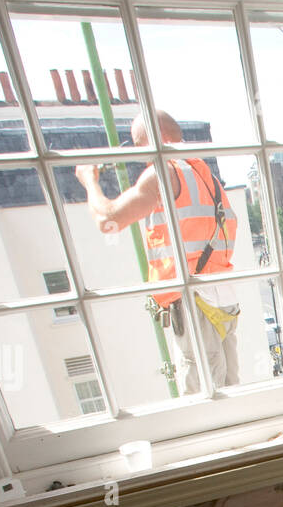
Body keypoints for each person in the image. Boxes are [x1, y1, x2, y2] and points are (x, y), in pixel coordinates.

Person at [75, 110, 239, 393]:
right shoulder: (203, 173)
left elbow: (108, 220)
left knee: (203, 392)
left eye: (140, 145)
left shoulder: (164, 172)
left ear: (157, 138)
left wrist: (89, 181)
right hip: (222, 297)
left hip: (194, 298)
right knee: (230, 385)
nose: (143, 155)